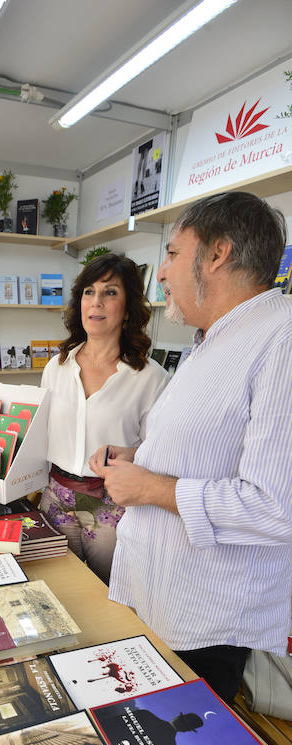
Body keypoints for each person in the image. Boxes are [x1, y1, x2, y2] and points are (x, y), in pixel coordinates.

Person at [93, 191, 292, 708]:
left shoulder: (282, 337)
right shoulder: (215, 339)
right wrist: (138, 457)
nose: (162, 273)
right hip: (157, 597)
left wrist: (151, 487)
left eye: (174, 254)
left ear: (218, 254)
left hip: (206, 622)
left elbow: (275, 508)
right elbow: (209, 448)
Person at [39, 253, 169, 584]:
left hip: (116, 510)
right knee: (58, 591)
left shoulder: (149, 376)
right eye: (89, 292)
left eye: (110, 292)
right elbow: (39, 435)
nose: (96, 302)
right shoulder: (57, 366)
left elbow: (162, 450)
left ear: (128, 309)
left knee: (111, 600)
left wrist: (128, 454)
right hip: (54, 499)